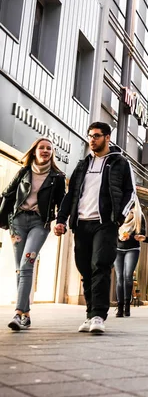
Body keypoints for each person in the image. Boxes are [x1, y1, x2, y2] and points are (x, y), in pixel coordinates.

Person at [55, 122, 135, 334]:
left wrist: (118, 218)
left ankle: (99, 315)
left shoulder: (120, 163)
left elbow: (130, 192)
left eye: (97, 136)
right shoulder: (82, 165)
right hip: (81, 224)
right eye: (90, 136)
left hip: (105, 224)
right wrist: (62, 219)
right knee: (85, 269)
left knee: (100, 265)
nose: (92, 139)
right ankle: (90, 314)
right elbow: (71, 194)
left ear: (107, 137)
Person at [1, 138, 66, 331]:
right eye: (41, 148)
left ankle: (18, 312)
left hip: (40, 223)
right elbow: (7, 194)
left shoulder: (57, 177)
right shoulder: (24, 172)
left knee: (26, 263)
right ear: (35, 151)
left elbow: (61, 202)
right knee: (19, 269)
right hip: (18, 222)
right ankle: (26, 314)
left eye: (49, 148)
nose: (45, 151)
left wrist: (61, 222)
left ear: (52, 153)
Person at [114, 196, 145, 317]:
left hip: (132, 249)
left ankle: (127, 305)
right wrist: (119, 237)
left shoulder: (139, 216)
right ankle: (120, 306)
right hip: (118, 248)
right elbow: (112, 230)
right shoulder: (118, 214)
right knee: (119, 277)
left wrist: (130, 237)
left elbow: (142, 233)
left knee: (127, 276)